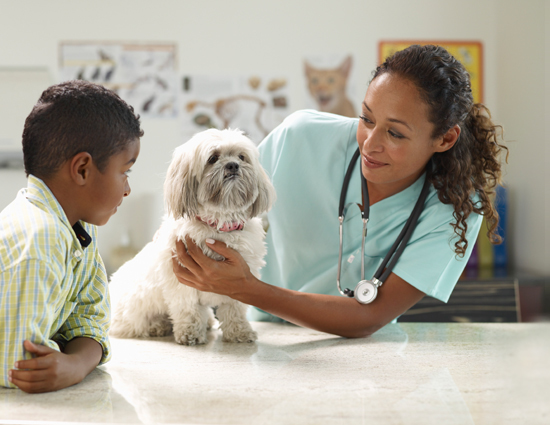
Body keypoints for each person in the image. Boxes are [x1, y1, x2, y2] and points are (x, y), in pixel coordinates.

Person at [171, 45, 507, 338]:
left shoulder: (455, 209)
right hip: (264, 338)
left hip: (364, 358)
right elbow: (208, 209)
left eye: (396, 134)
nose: (370, 144)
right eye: (367, 118)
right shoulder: (298, 139)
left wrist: (246, 289)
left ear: (445, 139)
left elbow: (370, 315)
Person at [0, 80, 143, 392]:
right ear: (82, 170)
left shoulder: (78, 225)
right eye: (125, 172)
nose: (128, 188)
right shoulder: (41, 238)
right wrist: (71, 360)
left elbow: (91, 320)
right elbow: (19, 368)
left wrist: (76, 363)